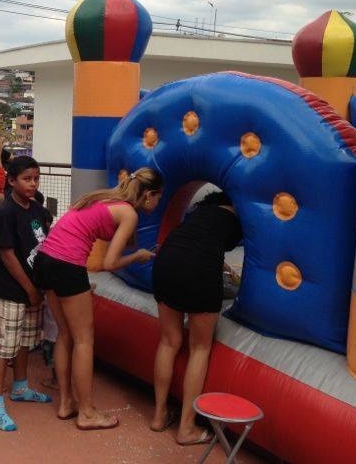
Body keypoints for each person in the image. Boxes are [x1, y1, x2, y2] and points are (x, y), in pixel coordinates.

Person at [33, 167, 163, 430]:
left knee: (65, 333)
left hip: (45, 258)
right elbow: (110, 262)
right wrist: (137, 257)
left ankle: (66, 402)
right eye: (159, 197)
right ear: (149, 195)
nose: (158, 203)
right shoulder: (128, 213)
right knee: (84, 338)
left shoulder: (103, 198)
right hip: (67, 264)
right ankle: (87, 412)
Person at [151, 191, 242, 446]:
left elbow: (199, 242)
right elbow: (223, 245)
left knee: (169, 341)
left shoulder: (196, 215)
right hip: (199, 272)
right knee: (199, 348)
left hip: (166, 262)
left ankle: (158, 416)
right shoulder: (236, 214)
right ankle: (186, 428)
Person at [0, 155, 53, 432]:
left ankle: (20, 387)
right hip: (13, 290)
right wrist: (28, 288)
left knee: (26, 340)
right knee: (4, 345)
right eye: (27, 178)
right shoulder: (6, 212)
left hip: (34, 290)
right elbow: (7, 254)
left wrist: (40, 287)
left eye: (36, 178)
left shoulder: (37, 209)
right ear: (11, 181)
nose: (32, 183)